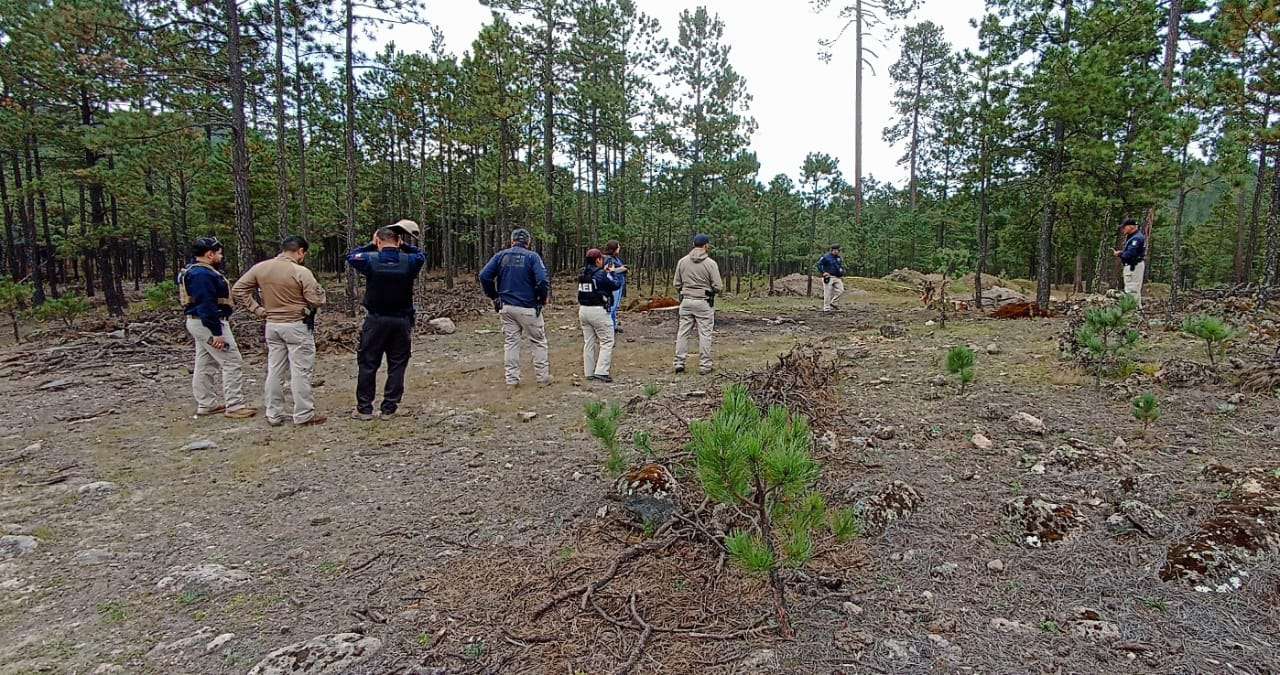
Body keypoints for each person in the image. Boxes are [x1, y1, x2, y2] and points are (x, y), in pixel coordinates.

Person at [232, 236, 328, 426]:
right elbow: (315, 300)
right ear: (300, 251)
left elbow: (238, 289)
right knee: (300, 371)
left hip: (272, 325)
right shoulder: (300, 271)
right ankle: (303, 414)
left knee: (275, 369)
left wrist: (258, 309)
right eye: (303, 254)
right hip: (296, 324)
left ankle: (273, 413)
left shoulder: (261, 268)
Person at [346, 225, 427, 420]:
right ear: (398, 242)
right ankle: (389, 408)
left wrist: (371, 244)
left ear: (378, 241)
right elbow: (421, 254)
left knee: (368, 363)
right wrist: (403, 245)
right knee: (398, 364)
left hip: (375, 321)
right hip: (401, 321)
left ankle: (365, 409)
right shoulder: (410, 261)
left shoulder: (369, 260)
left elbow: (352, 256)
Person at [178, 237, 257, 419]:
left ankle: (206, 404)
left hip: (200, 322)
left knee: (205, 362)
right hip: (207, 323)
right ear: (209, 254)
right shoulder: (202, 275)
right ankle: (235, 405)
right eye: (219, 253)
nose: (221, 257)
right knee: (232, 361)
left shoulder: (195, 271)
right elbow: (206, 304)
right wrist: (216, 333)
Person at [479, 228, 552, 387]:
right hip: (528, 307)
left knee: (511, 343)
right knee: (538, 341)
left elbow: (484, 275)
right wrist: (541, 298)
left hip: (507, 307)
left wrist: (494, 296)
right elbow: (542, 280)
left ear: (512, 241)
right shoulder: (532, 257)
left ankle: (511, 380)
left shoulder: (501, 256)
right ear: (528, 242)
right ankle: (542, 378)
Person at [673, 234, 723, 375]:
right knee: (705, 334)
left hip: (686, 301)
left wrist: (685, 290)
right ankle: (705, 365)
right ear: (706, 245)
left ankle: (679, 362)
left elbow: (676, 283)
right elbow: (718, 286)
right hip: (704, 302)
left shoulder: (682, 262)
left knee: (683, 333)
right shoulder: (710, 264)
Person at [578, 248, 621, 383]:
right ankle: (601, 371)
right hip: (598, 311)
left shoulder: (583, 274)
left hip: (583, 310)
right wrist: (613, 273)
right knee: (607, 341)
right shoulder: (601, 274)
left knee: (589, 342)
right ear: (598, 260)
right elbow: (615, 285)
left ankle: (589, 372)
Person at [1115, 218, 1146, 308]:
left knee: (1131, 290)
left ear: (1131, 227)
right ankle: (1137, 309)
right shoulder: (1135, 237)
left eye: (1124, 227)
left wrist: (1120, 253)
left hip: (1133, 266)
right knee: (1134, 289)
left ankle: (1132, 311)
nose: (1123, 229)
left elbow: (1130, 254)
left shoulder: (1136, 238)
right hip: (1134, 266)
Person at [603, 240, 628, 333]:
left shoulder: (616, 258)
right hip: (613, 285)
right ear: (614, 249)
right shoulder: (608, 259)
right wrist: (621, 269)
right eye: (618, 246)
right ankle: (608, 326)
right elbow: (608, 271)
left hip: (619, 284)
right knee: (612, 307)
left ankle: (614, 325)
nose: (619, 248)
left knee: (616, 307)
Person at [818, 244, 846, 312]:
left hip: (837, 277)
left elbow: (839, 266)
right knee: (827, 292)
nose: (837, 251)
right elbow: (819, 264)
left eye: (838, 250)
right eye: (836, 250)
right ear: (832, 250)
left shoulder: (838, 258)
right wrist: (823, 272)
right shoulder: (826, 257)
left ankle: (833, 303)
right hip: (829, 276)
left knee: (841, 290)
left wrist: (842, 271)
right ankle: (826, 308)